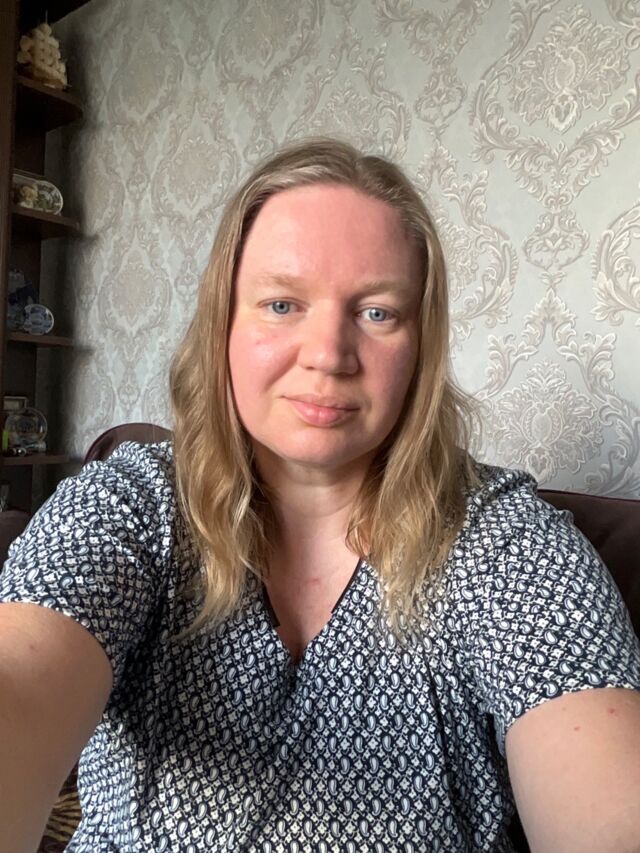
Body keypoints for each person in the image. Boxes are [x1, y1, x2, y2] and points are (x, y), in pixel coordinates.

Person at [0, 138, 639, 853]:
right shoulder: (130, 505)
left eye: (378, 313)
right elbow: (20, 683)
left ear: (421, 347)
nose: (329, 355)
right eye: (282, 304)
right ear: (223, 324)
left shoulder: (505, 540)